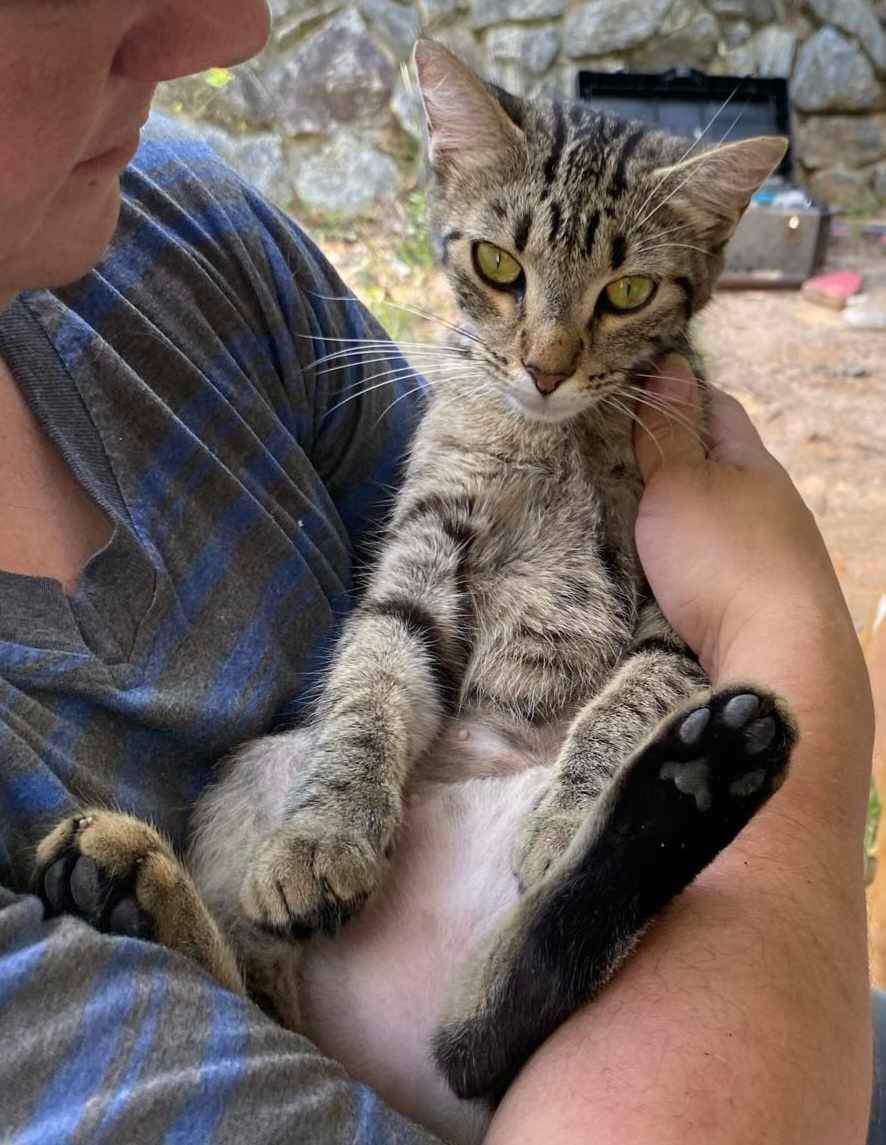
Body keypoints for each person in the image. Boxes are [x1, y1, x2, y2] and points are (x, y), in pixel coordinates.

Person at [0, 2, 876, 1142]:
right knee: (263, 788)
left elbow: (662, 642)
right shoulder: (466, 395)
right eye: (503, 270)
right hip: (592, 987)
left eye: (620, 298)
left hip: (546, 822)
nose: (547, 358)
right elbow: (408, 602)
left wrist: (589, 773)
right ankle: (508, 946)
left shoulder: (197, 234)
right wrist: (788, 624)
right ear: (457, 206)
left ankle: (537, 942)